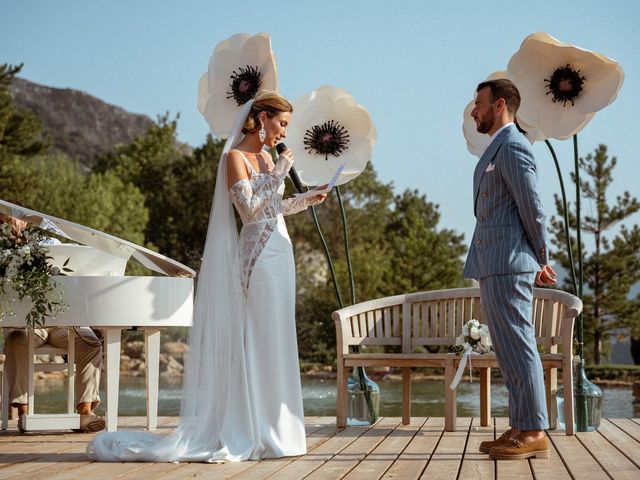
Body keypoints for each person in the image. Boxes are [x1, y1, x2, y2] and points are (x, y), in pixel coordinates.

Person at [87, 91, 326, 462]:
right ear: (262, 119)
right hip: (258, 256)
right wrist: (279, 171)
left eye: (286, 126)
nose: (284, 132)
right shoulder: (235, 158)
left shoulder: (266, 156)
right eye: (281, 123)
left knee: (278, 334)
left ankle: (280, 426)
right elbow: (248, 208)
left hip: (281, 250)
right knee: (256, 334)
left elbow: (273, 207)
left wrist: (305, 201)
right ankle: (251, 426)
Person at [463, 79, 557, 461]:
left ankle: (534, 431)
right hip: (493, 262)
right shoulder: (497, 147)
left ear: (499, 105)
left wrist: (543, 256)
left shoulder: (514, 146)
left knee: (519, 345)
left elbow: (531, 207)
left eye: (478, 103)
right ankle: (520, 426)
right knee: (508, 349)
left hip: (510, 262)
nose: (473, 110)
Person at [0, 213, 105, 433]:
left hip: (61, 322)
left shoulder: (52, 245)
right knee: (15, 340)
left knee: (91, 343)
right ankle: (23, 413)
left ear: (25, 221)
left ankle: (85, 412)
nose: (10, 223)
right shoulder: (3, 252)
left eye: (14, 218)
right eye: (4, 219)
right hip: (27, 325)